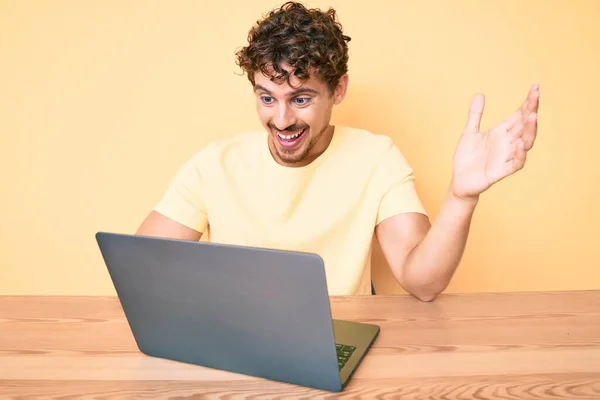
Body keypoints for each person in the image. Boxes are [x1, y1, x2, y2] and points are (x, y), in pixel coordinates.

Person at [136, 1, 539, 301]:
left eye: (300, 99)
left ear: (338, 90)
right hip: (239, 343)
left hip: (340, 339)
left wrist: (461, 196)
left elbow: (423, 283)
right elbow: (141, 268)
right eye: (266, 98)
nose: (280, 120)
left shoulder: (376, 158)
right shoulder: (214, 164)